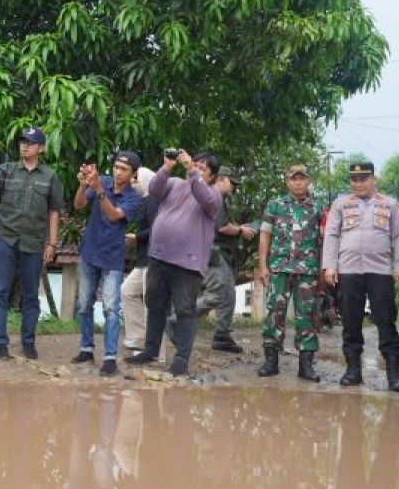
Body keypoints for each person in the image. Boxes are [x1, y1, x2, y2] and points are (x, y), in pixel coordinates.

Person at [126, 150, 224, 377]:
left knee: (185, 310)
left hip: (188, 264)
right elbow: (154, 190)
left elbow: (203, 197)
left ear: (212, 177)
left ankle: (181, 359)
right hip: (160, 256)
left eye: (203, 168)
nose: (197, 169)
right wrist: (167, 166)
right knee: (155, 304)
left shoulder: (213, 194)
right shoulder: (175, 183)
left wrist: (191, 171)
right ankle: (150, 350)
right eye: (195, 164)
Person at [322, 160, 399, 391]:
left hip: (380, 270)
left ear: (374, 179)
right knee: (351, 321)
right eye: (354, 179)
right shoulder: (340, 204)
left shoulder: (390, 204)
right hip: (349, 269)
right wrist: (329, 266)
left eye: (363, 178)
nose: (359, 183)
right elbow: (331, 235)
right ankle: (353, 370)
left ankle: (393, 373)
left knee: (385, 319)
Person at [0, 126, 64, 360]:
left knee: (30, 296)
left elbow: (54, 211)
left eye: (30, 142)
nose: (24, 145)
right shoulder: (7, 170)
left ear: (41, 147)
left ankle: (28, 342)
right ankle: (0, 344)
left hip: (34, 242)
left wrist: (52, 244)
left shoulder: (49, 176)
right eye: (22, 142)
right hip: (5, 237)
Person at [71, 151, 143, 376]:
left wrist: (99, 190)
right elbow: (78, 205)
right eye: (116, 167)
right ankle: (86, 349)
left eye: (124, 169)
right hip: (89, 253)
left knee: (111, 308)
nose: (118, 172)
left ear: (133, 174)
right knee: (84, 305)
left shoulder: (133, 197)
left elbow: (113, 215)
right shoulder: (101, 181)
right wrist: (84, 185)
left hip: (112, 258)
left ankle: (110, 357)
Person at [257, 164, 325, 382]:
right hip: (279, 268)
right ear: (287, 182)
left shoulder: (318, 207)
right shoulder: (275, 205)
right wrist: (263, 265)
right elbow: (264, 236)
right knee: (274, 314)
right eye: (294, 179)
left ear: (308, 181)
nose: (298, 182)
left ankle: (306, 365)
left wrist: (323, 271)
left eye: (302, 178)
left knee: (307, 315)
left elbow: (324, 241)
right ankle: (271, 361)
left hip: (308, 270)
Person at [198, 169, 254, 354]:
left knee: (228, 296)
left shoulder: (215, 198)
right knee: (218, 295)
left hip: (219, 253)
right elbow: (221, 227)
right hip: (215, 252)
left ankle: (222, 336)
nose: (234, 187)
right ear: (221, 179)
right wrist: (241, 230)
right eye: (232, 182)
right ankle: (178, 318)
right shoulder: (215, 198)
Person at [121, 168, 159, 352]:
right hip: (143, 259)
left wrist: (136, 238)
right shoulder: (145, 200)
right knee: (127, 291)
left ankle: (154, 351)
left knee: (151, 303)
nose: (133, 182)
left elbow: (156, 230)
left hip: (153, 259)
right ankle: (137, 338)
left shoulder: (153, 201)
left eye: (136, 179)